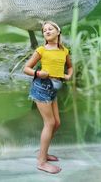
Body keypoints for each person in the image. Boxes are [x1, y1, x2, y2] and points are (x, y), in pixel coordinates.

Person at [24, 21, 73, 174]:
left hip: (54, 89)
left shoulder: (64, 51)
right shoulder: (41, 50)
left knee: (57, 123)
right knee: (50, 123)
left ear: (58, 32)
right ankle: (41, 162)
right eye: (44, 30)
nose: (47, 31)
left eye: (50, 28)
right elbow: (26, 68)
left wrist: (68, 76)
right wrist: (38, 73)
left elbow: (70, 66)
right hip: (41, 87)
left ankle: (43, 153)